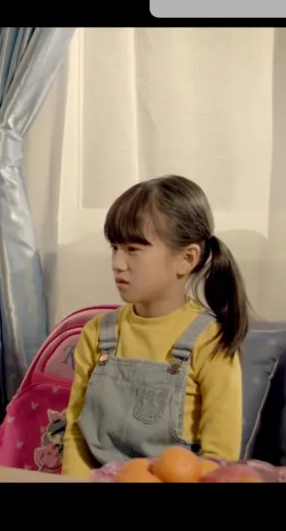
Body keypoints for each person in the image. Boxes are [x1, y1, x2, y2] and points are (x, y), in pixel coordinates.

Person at [61, 175, 247, 480]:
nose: (117, 263)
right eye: (114, 247)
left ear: (187, 258)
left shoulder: (209, 340)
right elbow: (76, 434)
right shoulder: (96, 333)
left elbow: (219, 459)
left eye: (133, 249)